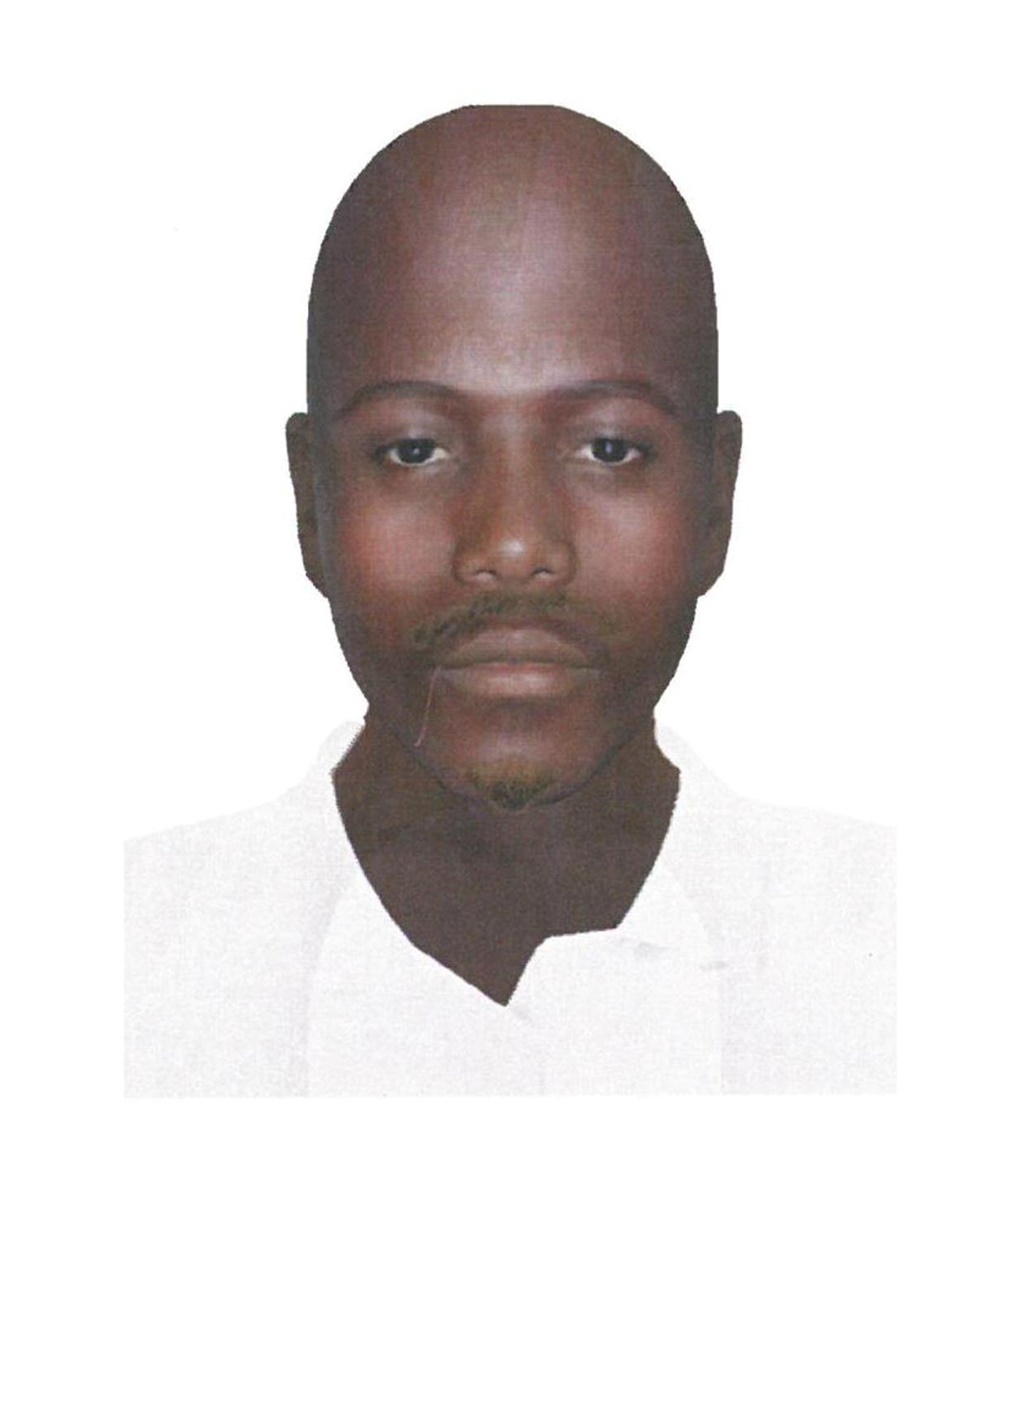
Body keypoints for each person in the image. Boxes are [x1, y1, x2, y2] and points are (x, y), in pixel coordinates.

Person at [125, 105, 895, 1096]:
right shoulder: (116, 967)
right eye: (415, 449)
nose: (515, 544)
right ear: (312, 503)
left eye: (609, 448)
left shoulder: (904, 960)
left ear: (716, 499)